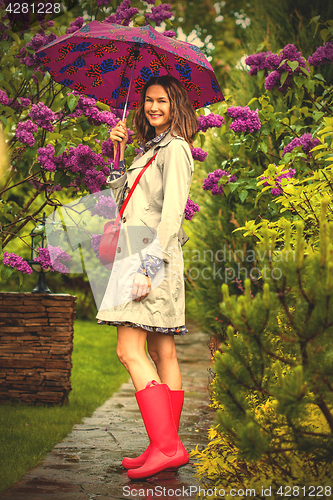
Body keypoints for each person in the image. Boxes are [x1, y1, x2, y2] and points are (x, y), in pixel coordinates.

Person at [96, 75, 198, 480]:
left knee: (129, 351)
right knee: (162, 352)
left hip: (148, 257)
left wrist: (146, 268)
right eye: (148, 101)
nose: (153, 107)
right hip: (136, 250)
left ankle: (167, 446)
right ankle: (165, 446)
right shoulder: (150, 149)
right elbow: (122, 202)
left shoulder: (176, 149)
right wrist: (118, 155)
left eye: (161, 101)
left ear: (176, 104)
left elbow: (172, 215)